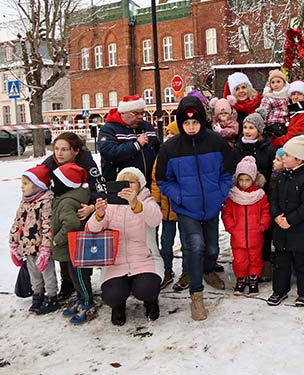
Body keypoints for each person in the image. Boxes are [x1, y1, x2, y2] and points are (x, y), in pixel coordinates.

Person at [155, 96, 234, 321]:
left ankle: (208, 270)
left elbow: (227, 172)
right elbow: (163, 179)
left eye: (195, 123)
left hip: (211, 205)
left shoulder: (216, 143)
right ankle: (196, 294)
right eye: (186, 124)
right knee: (195, 246)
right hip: (186, 208)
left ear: (202, 121)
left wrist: (219, 193)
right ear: (181, 123)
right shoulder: (170, 148)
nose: (191, 128)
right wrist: (180, 196)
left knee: (211, 249)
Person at [89, 167, 164, 326]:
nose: (127, 186)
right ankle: (118, 306)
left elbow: (155, 219)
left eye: (131, 182)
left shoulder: (146, 200)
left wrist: (136, 204)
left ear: (140, 185)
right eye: (123, 182)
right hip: (115, 261)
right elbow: (91, 231)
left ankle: (150, 300)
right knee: (112, 295)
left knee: (146, 289)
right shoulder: (110, 203)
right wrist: (99, 215)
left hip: (145, 260)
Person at [42, 132, 107, 301]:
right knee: (63, 252)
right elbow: (37, 179)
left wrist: (91, 207)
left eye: (64, 149)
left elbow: (100, 189)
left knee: (77, 256)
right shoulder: (51, 162)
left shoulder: (86, 162)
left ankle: (82, 290)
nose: (59, 153)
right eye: (56, 149)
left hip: (81, 212)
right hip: (59, 212)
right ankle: (67, 283)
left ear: (76, 151)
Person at [268, 134, 304, 307]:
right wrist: (276, 216)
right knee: (281, 262)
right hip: (282, 227)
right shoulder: (282, 176)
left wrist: (290, 219)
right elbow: (273, 198)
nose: (284, 158)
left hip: (301, 229)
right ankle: (279, 290)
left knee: (302, 263)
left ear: (298, 159)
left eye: (287, 156)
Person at [50, 163, 95, 324]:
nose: (51, 185)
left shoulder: (67, 202)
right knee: (74, 276)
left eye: (54, 182)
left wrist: (57, 239)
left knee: (80, 277)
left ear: (65, 184)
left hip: (76, 248)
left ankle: (87, 302)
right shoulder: (65, 199)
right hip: (72, 248)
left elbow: (71, 224)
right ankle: (80, 298)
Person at [234, 108, 276, 281]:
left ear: (259, 130)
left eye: (251, 128)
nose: (247, 131)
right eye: (245, 128)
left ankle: (264, 261)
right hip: (242, 198)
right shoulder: (238, 149)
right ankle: (244, 265)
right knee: (245, 233)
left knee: (263, 231)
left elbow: (273, 174)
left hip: (262, 197)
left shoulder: (268, 149)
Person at [9, 165, 57, 315]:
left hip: (42, 247)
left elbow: (48, 226)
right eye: (21, 184)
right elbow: (17, 223)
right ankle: (37, 294)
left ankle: (52, 296)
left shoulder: (46, 202)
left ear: (37, 185)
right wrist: (14, 242)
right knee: (33, 273)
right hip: (27, 247)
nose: (22, 187)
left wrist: (46, 248)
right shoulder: (24, 202)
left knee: (47, 272)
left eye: (25, 184)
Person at [221, 156, 271, 296]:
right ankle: (241, 279)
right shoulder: (232, 196)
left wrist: (262, 226)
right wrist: (231, 227)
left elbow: (265, 212)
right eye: (241, 180)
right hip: (238, 236)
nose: (244, 183)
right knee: (240, 260)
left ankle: (253, 280)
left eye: (247, 180)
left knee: (255, 258)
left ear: (254, 179)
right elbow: (227, 214)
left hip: (255, 235)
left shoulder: (259, 195)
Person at [151, 121, 187, 291]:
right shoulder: (163, 154)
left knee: (187, 241)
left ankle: (187, 272)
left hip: (184, 206)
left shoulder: (186, 153)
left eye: (172, 133)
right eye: (167, 133)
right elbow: (156, 180)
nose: (169, 136)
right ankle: (166, 270)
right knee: (166, 241)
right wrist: (156, 200)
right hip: (166, 208)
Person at [98, 94, 160, 186]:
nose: (140, 117)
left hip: (148, 184)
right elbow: (109, 153)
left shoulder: (147, 127)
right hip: (121, 185)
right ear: (123, 113)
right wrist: (136, 145)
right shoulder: (109, 129)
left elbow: (157, 150)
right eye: (135, 113)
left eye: (142, 113)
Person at [271, 79, 304, 149]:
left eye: (299, 94)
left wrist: (272, 143)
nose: (295, 97)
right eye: (293, 94)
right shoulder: (293, 112)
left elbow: (292, 137)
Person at [259, 69, 290, 138]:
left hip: (286, 123)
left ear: (284, 83)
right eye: (273, 82)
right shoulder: (269, 97)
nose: (275, 85)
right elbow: (264, 110)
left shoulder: (288, 94)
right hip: (274, 122)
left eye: (278, 82)